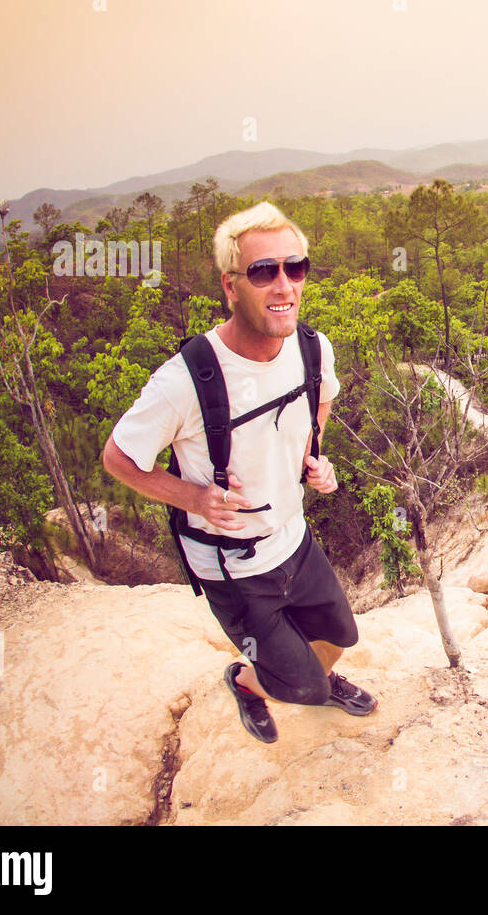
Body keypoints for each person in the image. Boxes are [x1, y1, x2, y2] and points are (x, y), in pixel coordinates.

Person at [102, 201, 375, 744]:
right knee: (301, 688)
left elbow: (319, 402)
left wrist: (312, 456)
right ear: (231, 286)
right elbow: (118, 457)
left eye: (294, 268)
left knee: (341, 635)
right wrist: (193, 498)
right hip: (234, 564)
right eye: (262, 271)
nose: (283, 285)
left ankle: (310, 675)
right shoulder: (188, 378)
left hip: (293, 539)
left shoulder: (311, 349)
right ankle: (250, 682)